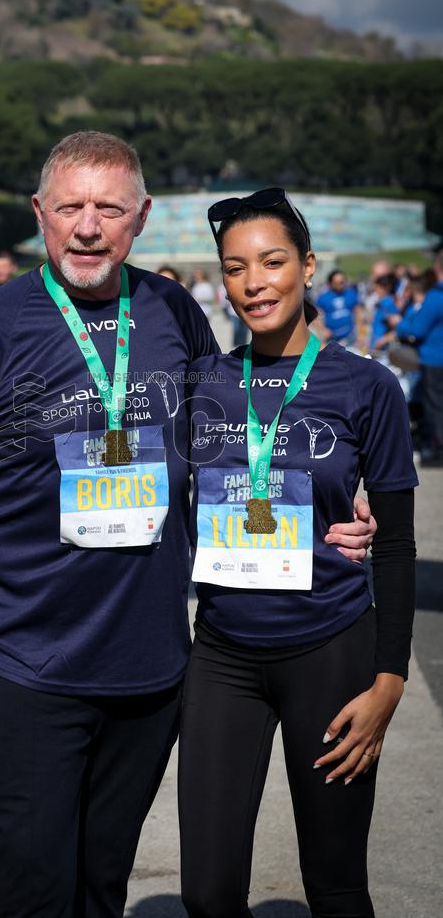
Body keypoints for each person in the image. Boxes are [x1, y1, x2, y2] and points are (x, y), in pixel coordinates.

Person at [0, 136, 375, 918]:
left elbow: (236, 439)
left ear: (142, 217)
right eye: (70, 207)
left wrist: (345, 498)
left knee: (101, 889)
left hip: (152, 675)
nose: (88, 227)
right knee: (33, 893)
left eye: (109, 208)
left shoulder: (171, 310)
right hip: (30, 668)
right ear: (39, 216)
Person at [179, 188, 417, 918]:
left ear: (307, 267)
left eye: (273, 262)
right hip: (222, 656)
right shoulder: (203, 383)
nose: (255, 283)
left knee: (336, 884)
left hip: (331, 651)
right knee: (209, 893)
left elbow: (399, 546)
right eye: (236, 268)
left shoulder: (367, 386)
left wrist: (389, 683)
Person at [396, 250, 443, 464]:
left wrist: (400, 323)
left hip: (434, 359)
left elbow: (417, 329)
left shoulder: (435, 296)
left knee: (434, 407)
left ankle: (436, 450)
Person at [315, 268, 361, 346]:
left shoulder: (351, 293)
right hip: (332, 339)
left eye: (342, 282)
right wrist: (323, 329)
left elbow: (358, 312)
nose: (341, 284)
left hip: (350, 337)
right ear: (330, 283)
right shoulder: (323, 297)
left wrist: (360, 332)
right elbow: (316, 316)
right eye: (338, 282)